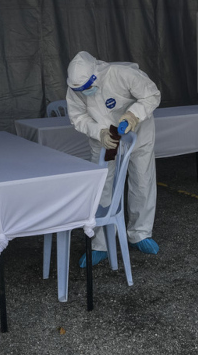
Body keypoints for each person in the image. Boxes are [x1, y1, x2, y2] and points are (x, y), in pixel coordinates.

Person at [66, 50, 161, 267]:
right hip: (104, 139)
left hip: (139, 133)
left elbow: (152, 94)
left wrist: (133, 114)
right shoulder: (75, 89)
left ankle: (140, 233)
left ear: (96, 73)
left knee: (142, 180)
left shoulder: (121, 74)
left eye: (87, 86)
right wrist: (99, 131)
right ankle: (100, 244)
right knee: (102, 186)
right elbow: (77, 116)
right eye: (79, 89)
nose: (84, 92)